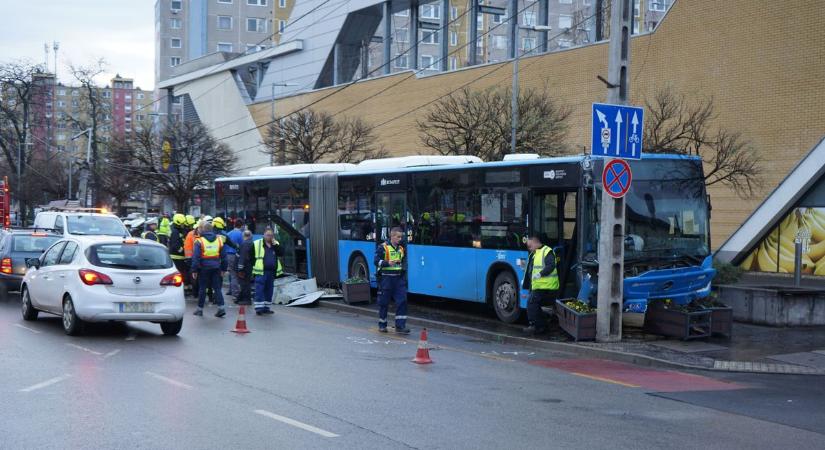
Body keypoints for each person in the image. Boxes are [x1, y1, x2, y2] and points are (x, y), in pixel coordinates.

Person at [374, 227, 410, 334]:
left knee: (402, 301)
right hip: (386, 279)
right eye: (398, 237)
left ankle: (400, 326)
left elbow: (403, 262)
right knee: (383, 303)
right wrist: (387, 263)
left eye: (401, 237)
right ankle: (382, 325)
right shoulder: (383, 247)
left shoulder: (401, 249)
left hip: (398, 279)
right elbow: (376, 261)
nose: (400, 239)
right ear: (392, 236)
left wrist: (403, 273)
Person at [522, 235, 559, 335]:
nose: (529, 248)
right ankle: (543, 325)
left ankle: (537, 326)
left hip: (547, 286)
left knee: (532, 303)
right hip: (538, 286)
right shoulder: (534, 254)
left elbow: (551, 266)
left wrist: (540, 274)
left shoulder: (547, 251)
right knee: (532, 304)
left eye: (530, 246)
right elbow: (530, 271)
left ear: (535, 242)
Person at [191, 222, 228, 317]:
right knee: (217, 288)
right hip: (216, 267)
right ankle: (221, 308)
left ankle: (200, 309)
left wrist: (194, 270)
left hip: (203, 268)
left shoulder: (199, 241)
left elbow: (196, 257)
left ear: (203, 230)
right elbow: (224, 256)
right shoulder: (219, 240)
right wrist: (224, 268)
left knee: (202, 288)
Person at [248, 227, 283, 316]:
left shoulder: (275, 244)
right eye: (268, 235)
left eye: (271, 235)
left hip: (271, 272)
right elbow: (250, 256)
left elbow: (281, 253)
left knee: (269, 290)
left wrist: (275, 245)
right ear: (264, 235)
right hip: (260, 271)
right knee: (259, 290)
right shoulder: (257, 243)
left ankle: (266, 308)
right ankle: (259, 308)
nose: (269, 237)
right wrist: (254, 265)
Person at [225, 218, 245, 300]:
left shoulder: (228, 233)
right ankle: (235, 294)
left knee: (231, 272)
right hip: (235, 255)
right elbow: (242, 246)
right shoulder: (241, 234)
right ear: (242, 226)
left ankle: (230, 290)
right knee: (235, 275)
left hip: (227, 255)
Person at [169, 213, 188, 288]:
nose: (183, 225)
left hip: (179, 257)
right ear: (178, 223)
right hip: (177, 258)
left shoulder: (178, 231)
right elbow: (175, 245)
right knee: (179, 274)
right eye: (182, 224)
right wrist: (183, 251)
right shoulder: (175, 232)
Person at [235, 230, 254, 305]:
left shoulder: (245, 244)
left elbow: (242, 257)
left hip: (245, 267)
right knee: (246, 283)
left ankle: (247, 299)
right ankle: (240, 298)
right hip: (248, 266)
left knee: (244, 283)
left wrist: (240, 268)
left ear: (244, 236)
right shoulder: (250, 243)